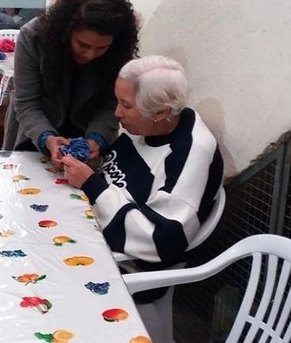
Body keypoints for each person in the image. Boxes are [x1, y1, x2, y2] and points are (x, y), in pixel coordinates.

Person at [61, 56, 224, 342]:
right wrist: (95, 162)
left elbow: (160, 239)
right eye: (118, 101)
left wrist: (91, 183)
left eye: (126, 105)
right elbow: (120, 177)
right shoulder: (150, 125)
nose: (117, 114)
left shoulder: (190, 153)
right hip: (95, 227)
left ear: (160, 112)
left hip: (132, 263)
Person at [7, 0, 140, 166]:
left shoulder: (119, 50)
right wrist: (47, 138)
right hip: (35, 135)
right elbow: (27, 103)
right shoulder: (32, 37)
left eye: (102, 48)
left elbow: (110, 105)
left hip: (90, 138)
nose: (90, 55)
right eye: (82, 44)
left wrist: (97, 139)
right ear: (66, 30)